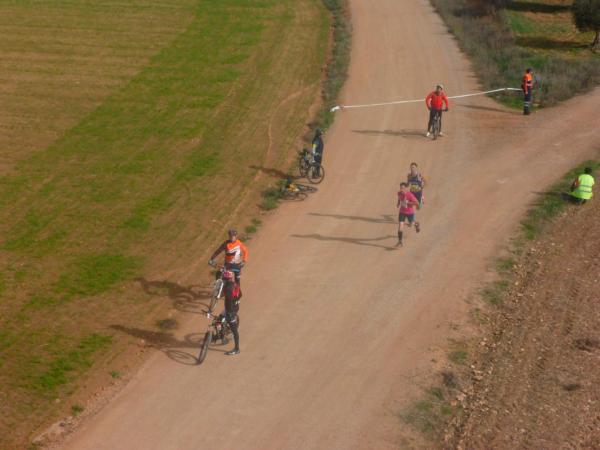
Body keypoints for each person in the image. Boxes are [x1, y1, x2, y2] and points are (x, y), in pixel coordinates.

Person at [222, 269, 242, 355]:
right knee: (221, 317)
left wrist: (230, 313)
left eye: (223, 278)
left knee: (234, 330)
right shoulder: (235, 284)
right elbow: (241, 294)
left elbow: (229, 300)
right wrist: (236, 300)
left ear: (226, 279)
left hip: (231, 310)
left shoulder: (228, 288)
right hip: (235, 307)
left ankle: (237, 349)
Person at [396, 182, 421, 247]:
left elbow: (416, 203)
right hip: (402, 212)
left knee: (411, 225)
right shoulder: (399, 193)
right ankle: (400, 241)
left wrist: (408, 203)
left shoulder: (409, 195)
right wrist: (398, 203)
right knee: (400, 226)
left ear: (405, 188)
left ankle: (416, 224)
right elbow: (399, 198)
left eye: (403, 188)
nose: (402, 189)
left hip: (410, 213)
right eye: (401, 188)